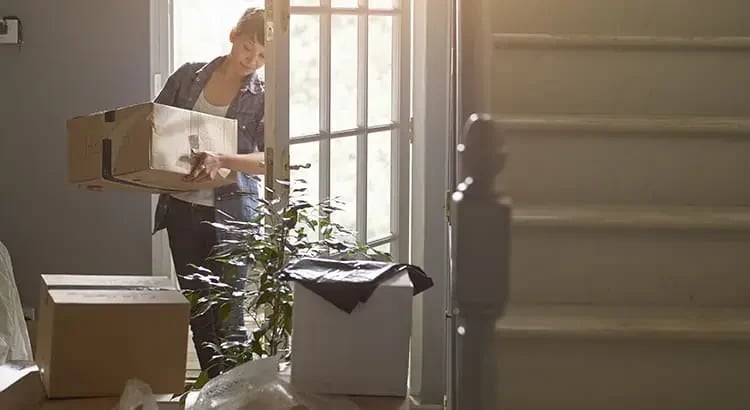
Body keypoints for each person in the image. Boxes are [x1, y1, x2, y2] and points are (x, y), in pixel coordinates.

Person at [152, 8, 266, 378]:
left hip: (233, 215)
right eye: (249, 47)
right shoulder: (188, 76)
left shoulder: (263, 96)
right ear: (234, 35)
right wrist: (110, 175)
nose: (252, 60)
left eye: (263, 56)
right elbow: (150, 130)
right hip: (181, 210)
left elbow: (269, 160)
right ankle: (214, 393)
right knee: (199, 312)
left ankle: (238, 396)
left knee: (229, 314)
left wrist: (222, 158)